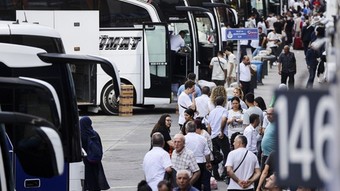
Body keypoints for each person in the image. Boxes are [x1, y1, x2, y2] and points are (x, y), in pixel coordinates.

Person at [79, 116, 110, 191]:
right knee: (95, 181)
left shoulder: (81, 135)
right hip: (95, 160)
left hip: (86, 161)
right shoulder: (95, 134)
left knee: (87, 181)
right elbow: (100, 147)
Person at [207, 96, 230, 181]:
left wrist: (209, 135)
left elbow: (209, 126)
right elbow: (224, 120)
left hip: (213, 136)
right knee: (226, 155)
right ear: (224, 103)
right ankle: (225, 173)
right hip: (221, 136)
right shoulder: (224, 111)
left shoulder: (212, 112)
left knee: (215, 156)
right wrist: (221, 131)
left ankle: (216, 175)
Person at [184, 121, 211, 190]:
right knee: (200, 182)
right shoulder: (202, 138)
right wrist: (208, 163)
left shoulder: (184, 139)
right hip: (200, 162)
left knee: (192, 183)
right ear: (195, 128)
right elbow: (207, 153)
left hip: (188, 164)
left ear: (186, 129)